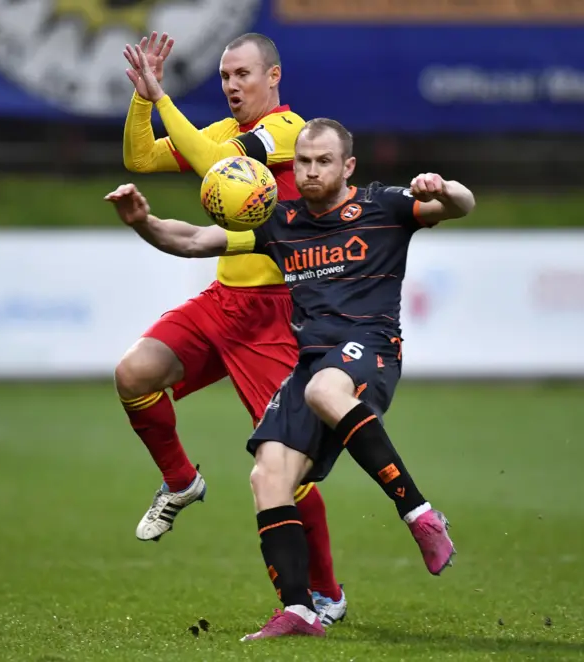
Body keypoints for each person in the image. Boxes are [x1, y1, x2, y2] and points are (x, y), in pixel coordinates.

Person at [105, 117, 476, 640]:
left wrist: (442, 186)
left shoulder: (383, 206)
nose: (310, 171)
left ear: (348, 166)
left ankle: (419, 515)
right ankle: (300, 611)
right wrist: (142, 221)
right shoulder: (281, 221)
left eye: (323, 161)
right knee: (268, 476)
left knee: (324, 389)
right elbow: (192, 240)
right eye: (302, 161)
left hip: (370, 349)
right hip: (311, 362)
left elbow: (462, 205)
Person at [118, 32, 346, 623]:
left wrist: (161, 96)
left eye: (242, 74)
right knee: (134, 373)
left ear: (274, 76)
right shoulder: (223, 131)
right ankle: (180, 481)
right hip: (225, 301)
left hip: (276, 312)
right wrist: (144, 101)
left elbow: (221, 166)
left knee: (285, 467)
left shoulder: (291, 130)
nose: (231, 86)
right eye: (224, 77)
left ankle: (326, 592)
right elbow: (143, 158)